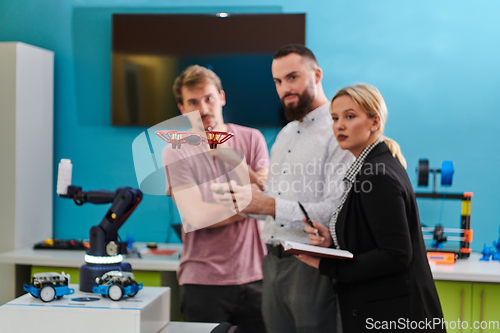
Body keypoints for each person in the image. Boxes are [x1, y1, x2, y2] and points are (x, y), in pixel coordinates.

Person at [212, 45, 354, 333]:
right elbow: (273, 205)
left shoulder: (338, 132)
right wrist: (244, 202)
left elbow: (337, 212)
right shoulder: (285, 135)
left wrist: (266, 205)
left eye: (292, 77)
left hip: (313, 266)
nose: (284, 88)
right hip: (272, 264)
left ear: (317, 74)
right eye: (278, 82)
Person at [298, 84, 446, 332]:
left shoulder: (377, 173)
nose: (339, 125)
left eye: (350, 116)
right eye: (335, 118)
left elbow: (396, 254)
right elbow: (370, 237)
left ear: (374, 122)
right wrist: (330, 241)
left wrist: (327, 265)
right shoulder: (373, 166)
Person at [162, 65, 270, 333]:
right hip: (202, 282)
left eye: (209, 98)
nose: (203, 108)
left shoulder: (251, 138)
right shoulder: (175, 152)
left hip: (257, 277)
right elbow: (196, 216)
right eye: (193, 102)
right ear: (182, 108)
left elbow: (269, 191)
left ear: (221, 97)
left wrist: (232, 158)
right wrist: (254, 205)